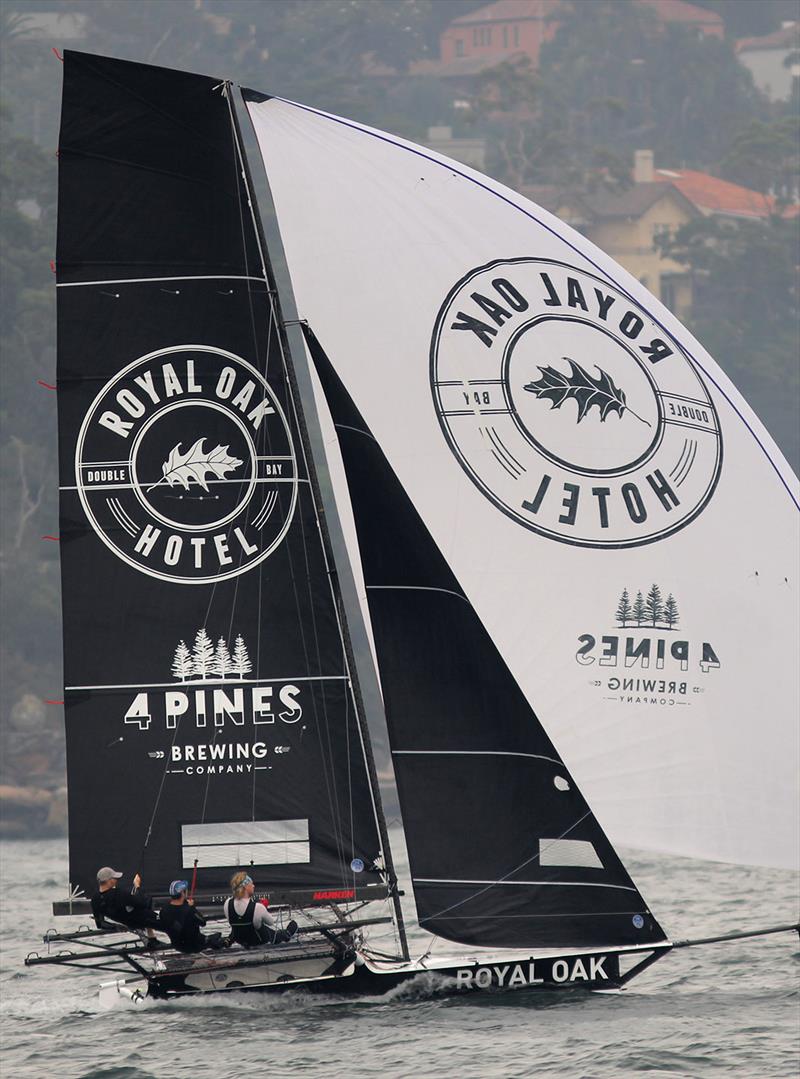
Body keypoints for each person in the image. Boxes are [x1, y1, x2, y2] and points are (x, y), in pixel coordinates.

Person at [224, 871, 298, 947]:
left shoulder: (227, 903)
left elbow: (233, 921)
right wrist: (264, 908)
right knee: (286, 929)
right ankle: (287, 934)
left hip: (240, 940)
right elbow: (271, 922)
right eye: (251, 884)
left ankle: (229, 940)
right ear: (246, 887)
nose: (253, 886)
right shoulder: (258, 907)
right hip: (259, 940)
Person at [91, 866, 160, 947]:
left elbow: (99, 923)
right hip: (134, 921)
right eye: (114, 878)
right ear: (109, 881)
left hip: (118, 921)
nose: (116, 880)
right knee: (147, 900)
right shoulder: (118, 894)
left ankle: (151, 936)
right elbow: (142, 903)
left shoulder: (95, 898)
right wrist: (137, 886)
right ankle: (152, 937)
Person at [159, 880, 224, 953]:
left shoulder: (164, 909)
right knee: (218, 940)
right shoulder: (188, 910)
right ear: (182, 893)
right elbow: (203, 922)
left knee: (213, 937)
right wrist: (192, 907)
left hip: (176, 944)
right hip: (192, 946)